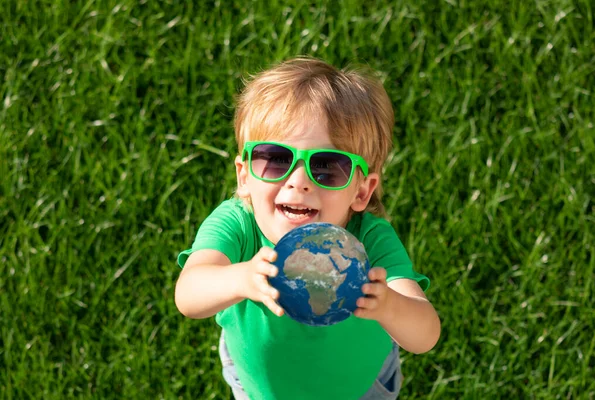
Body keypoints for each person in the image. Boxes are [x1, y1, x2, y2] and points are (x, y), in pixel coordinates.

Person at [175, 57, 441, 400]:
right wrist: (240, 277)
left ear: (361, 190)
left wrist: (389, 305)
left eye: (327, 167)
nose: (298, 182)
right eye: (276, 159)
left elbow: (426, 335)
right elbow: (188, 295)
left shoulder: (369, 241)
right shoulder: (238, 225)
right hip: (259, 388)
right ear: (244, 175)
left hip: (359, 389)